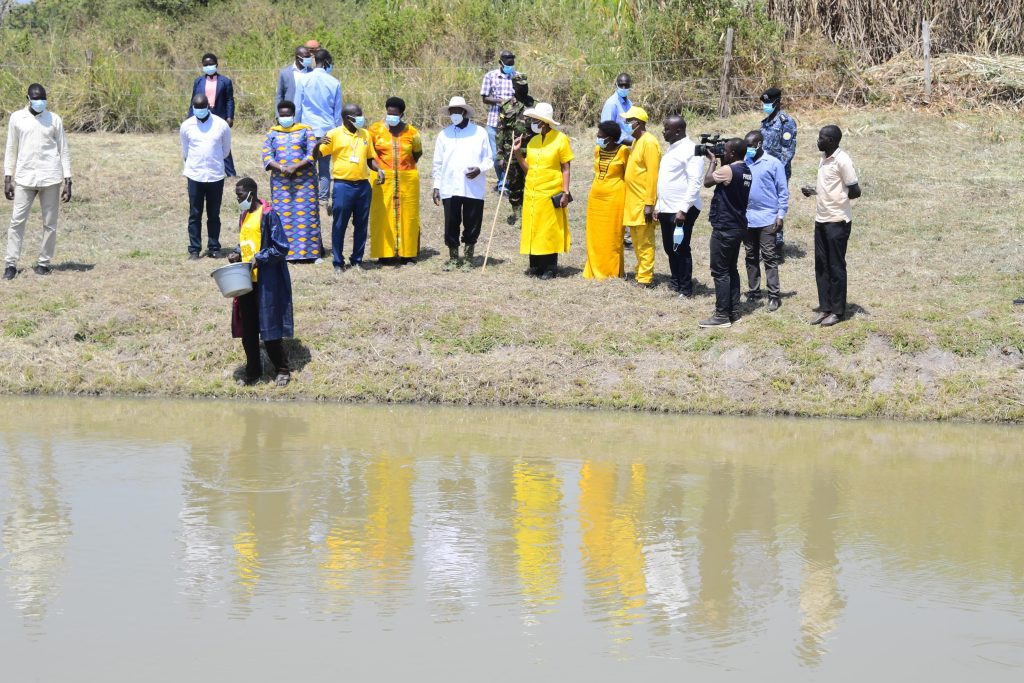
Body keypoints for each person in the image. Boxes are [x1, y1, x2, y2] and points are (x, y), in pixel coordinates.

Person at [226, 177, 293, 387]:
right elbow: (245, 243)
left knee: (269, 328)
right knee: (248, 330)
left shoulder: (268, 214)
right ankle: (253, 372)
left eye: (239, 195)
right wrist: (237, 254)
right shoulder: (244, 215)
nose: (238, 199)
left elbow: (281, 247)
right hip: (245, 280)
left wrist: (260, 258)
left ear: (250, 194)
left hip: (266, 281)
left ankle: (282, 369)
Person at [3, 83, 71, 280]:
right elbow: (11, 148)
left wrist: (68, 180)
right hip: (24, 178)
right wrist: (8, 177)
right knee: (17, 221)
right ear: (28, 98)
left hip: (51, 178)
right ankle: (11, 264)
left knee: (50, 223)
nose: (40, 101)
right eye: (36, 98)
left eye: (43, 97)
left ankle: (43, 263)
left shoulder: (54, 119)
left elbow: (63, 150)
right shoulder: (17, 118)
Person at [313, 103, 384, 272]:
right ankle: (338, 262)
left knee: (361, 225)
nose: (361, 118)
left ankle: (357, 260)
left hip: (363, 186)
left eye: (361, 115)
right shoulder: (334, 134)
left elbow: (369, 159)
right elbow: (316, 156)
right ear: (347, 118)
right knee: (339, 225)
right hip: (342, 186)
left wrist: (378, 169)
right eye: (357, 116)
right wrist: (317, 144)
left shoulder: (365, 134)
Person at [801, 125, 861, 327]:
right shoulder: (824, 158)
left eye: (822, 138)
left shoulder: (843, 160)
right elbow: (830, 185)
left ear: (833, 141)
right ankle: (825, 307)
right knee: (821, 265)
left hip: (837, 221)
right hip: (821, 219)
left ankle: (838, 311)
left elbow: (855, 190)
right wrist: (815, 191)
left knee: (836, 266)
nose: (818, 141)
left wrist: (838, 200)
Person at [512, 102, 573, 280]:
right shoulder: (533, 141)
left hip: (550, 190)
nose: (531, 122)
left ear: (544, 122)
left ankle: (550, 267)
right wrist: (517, 154)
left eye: (535, 120)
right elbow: (528, 169)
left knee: (549, 229)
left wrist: (565, 192)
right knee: (534, 227)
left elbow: (566, 168)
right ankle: (536, 265)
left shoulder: (561, 139)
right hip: (532, 192)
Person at [431, 96, 493, 271]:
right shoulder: (444, 135)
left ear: (465, 112)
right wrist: (436, 186)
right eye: (452, 111)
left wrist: (479, 169)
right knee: (451, 222)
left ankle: (468, 258)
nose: (455, 114)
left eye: (458, 111)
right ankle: (453, 257)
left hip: (473, 186)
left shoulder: (479, 132)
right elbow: (438, 163)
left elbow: (488, 159)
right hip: (449, 186)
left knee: (472, 221)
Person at [699, 139, 752, 328]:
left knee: (720, 271)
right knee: (731, 269)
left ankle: (721, 316)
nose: (724, 153)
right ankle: (734, 311)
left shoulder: (728, 170)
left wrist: (712, 160)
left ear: (732, 154)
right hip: (738, 226)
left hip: (725, 227)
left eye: (726, 151)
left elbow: (707, 182)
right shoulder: (746, 170)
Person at [260, 99, 322, 261]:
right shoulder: (272, 133)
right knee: (282, 216)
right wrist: (282, 168)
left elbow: (312, 154)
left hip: (305, 183)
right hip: (281, 184)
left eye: (288, 115)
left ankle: (311, 253)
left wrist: (296, 167)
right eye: (282, 115)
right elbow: (267, 157)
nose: (285, 118)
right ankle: (284, 252)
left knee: (308, 215)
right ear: (278, 116)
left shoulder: (305, 130)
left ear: (293, 115)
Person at [368, 97, 423, 264]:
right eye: (388, 113)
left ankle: (408, 253)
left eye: (395, 114)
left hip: (408, 178)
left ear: (402, 114)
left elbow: (417, 153)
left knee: (409, 215)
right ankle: (385, 253)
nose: (391, 116)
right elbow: (369, 156)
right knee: (382, 214)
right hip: (382, 178)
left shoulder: (412, 132)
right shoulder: (375, 130)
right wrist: (379, 169)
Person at [655, 114, 703, 297]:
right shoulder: (672, 148)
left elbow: (695, 182)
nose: (663, 132)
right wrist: (659, 205)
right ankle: (675, 282)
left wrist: (683, 209)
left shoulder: (692, 150)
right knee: (669, 247)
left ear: (678, 130)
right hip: (666, 208)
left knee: (680, 248)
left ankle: (685, 288)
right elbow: (666, 180)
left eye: (666, 129)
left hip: (682, 210)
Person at [180, 93, 231, 260]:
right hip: (195, 175)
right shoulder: (186, 126)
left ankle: (214, 247)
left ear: (208, 106)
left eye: (202, 108)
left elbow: (226, 150)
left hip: (215, 174)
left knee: (214, 213)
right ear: (192, 107)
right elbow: (185, 151)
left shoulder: (221, 125)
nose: (199, 111)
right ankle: (194, 249)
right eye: (196, 108)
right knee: (195, 214)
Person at [742, 130, 788, 312]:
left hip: (768, 217)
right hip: (748, 218)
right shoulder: (745, 163)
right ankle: (754, 292)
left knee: (769, 256)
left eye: (751, 145)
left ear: (759, 144)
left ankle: (774, 296)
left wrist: (781, 215)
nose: (748, 149)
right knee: (750, 256)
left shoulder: (774, 164)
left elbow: (783, 192)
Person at [582, 121, 629, 280]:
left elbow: (627, 176)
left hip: (614, 198)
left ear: (609, 138)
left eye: (600, 135)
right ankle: (593, 268)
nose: (597, 137)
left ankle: (610, 272)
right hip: (596, 198)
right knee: (594, 235)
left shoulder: (623, 151)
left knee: (612, 236)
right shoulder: (597, 149)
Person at [295, 48, 342, 204]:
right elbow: (337, 111)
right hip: (327, 130)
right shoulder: (334, 83)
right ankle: (323, 198)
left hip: (307, 128)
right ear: (327, 62)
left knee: (308, 164)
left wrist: (295, 127)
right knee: (324, 167)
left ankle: (308, 196)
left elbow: (298, 106)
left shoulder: (303, 80)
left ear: (316, 61)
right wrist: (337, 131)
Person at [621, 106, 660, 287]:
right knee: (636, 241)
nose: (626, 124)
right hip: (633, 201)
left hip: (643, 202)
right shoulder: (637, 142)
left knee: (645, 242)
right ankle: (639, 272)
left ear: (639, 123)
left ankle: (645, 278)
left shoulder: (649, 142)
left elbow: (653, 175)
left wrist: (649, 203)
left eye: (629, 121)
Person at [759, 87, 797, 248]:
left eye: (768, 102)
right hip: (763, 170)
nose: (766, 105)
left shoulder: (786, 122)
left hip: (778, 172)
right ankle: (765, 240)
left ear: (777, 102)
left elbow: (787, 151)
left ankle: (776, 243)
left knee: (775, 206)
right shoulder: (766, 122)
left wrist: (774, 170)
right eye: (764, 103)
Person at [495, 73, 535, 222]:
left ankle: (531, 212)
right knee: (515, 184)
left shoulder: (534, 105)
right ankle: (517, 214)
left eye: (525, 85)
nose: (523, 88)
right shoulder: (506, 106)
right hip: (511, 151)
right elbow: (500, 131)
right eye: (520, 86)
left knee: (532, 182)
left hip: (532, 151)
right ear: (513, 87)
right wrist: (499, 155)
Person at [188, 53, 235, 177]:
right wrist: (189, 117)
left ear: (216, 65)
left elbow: (230, 100)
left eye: (211, 64)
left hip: (219, 114)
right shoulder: (198, 81)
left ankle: (231, 173)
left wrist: (230, 116)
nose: (208, 66)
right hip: (201, 114)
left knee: (222, 142)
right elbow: (193, 100)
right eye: (206, 65)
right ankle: (197, 170)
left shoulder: (225, 81)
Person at [480, 50, 516, 191]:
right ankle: (502, 183)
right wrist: (502, 101)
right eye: (507, 64)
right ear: (500, 63)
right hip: (495, 121)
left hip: (512, 122)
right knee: (496, 156)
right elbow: (485, 98)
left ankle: (505, 184)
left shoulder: (517, 76)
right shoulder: (490, 76)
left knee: (511, 154)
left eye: (512, 64)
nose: (510, 66)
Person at [600, 73, 634, 145]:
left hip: (629, 148)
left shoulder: (630, 104)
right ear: (616, 85)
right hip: (616, 148)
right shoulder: (612, 104)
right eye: (621, 85)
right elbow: (607, 131)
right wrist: (629, 143)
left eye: (626, 85)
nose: (624, 88)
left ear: (630, 85)